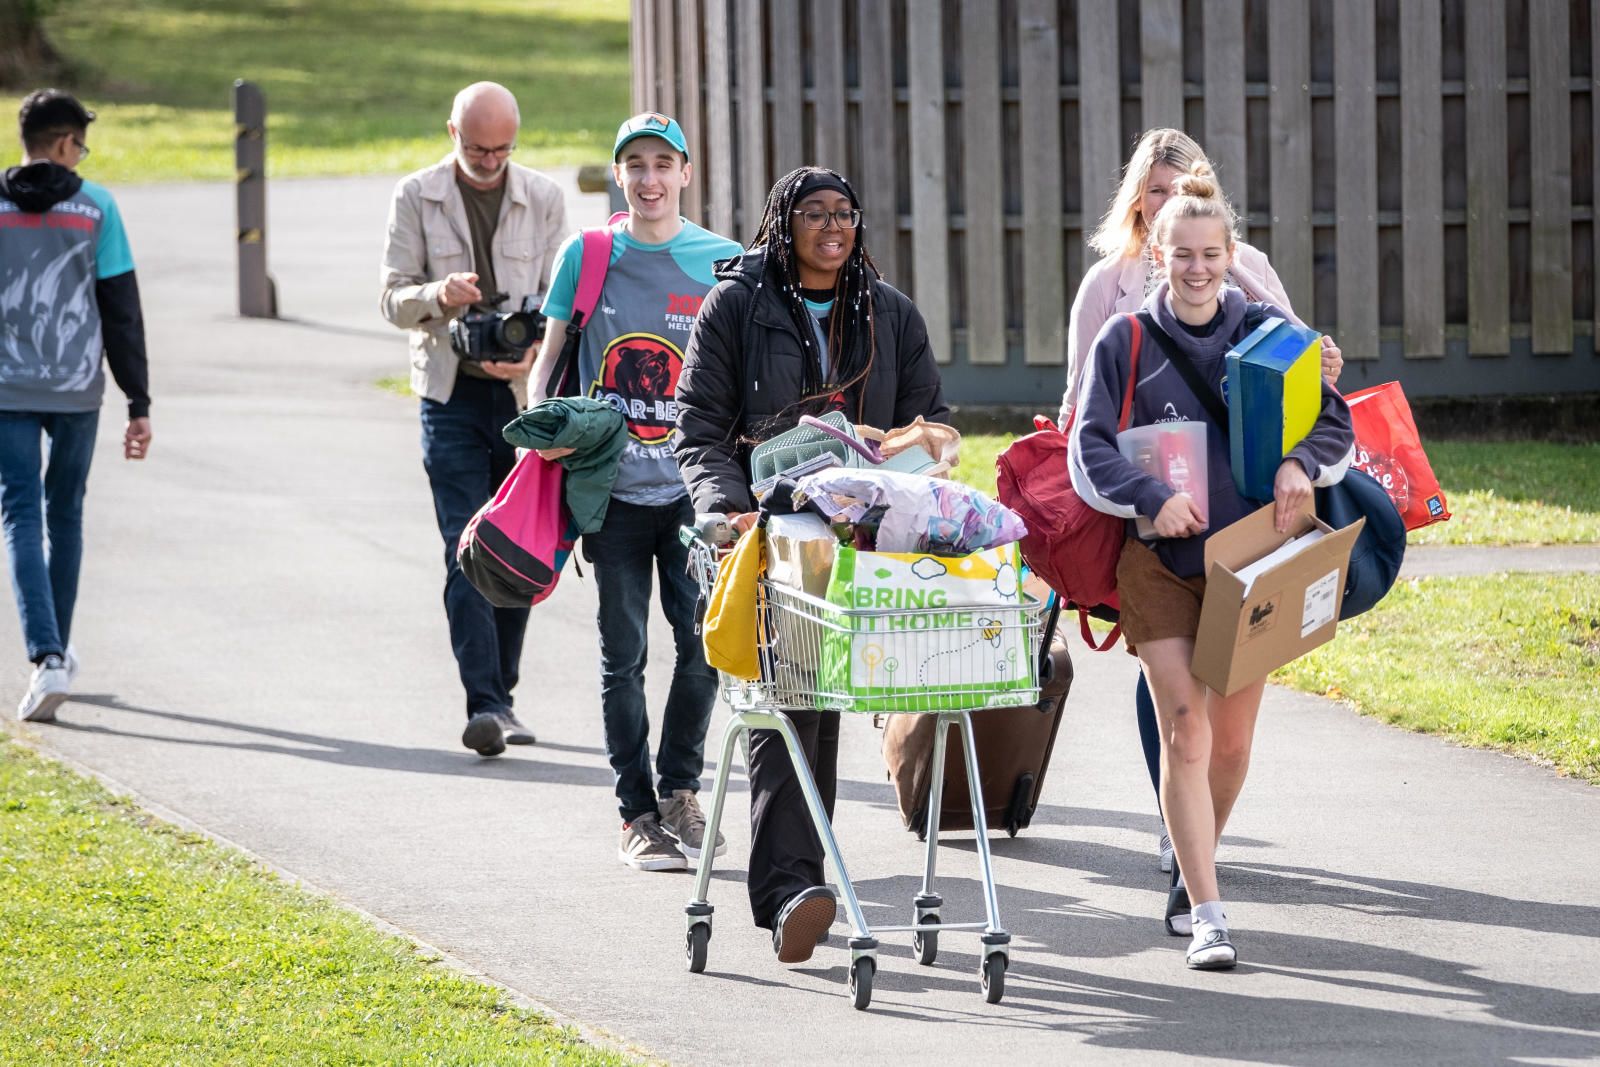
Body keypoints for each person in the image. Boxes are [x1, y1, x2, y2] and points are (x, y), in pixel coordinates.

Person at [1069, 171, 1354, 969]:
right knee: (1185, 732)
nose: (1197, 268)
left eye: (1211, 254)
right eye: (1181, 254)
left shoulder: (1266, 331)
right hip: (1159, 564)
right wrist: (1151, 496)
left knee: (1229, 743)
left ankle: (1196, 855)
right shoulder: (1122, 341)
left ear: (1232, 256)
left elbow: (1338, 422)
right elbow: (1087, 446)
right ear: (1157, 255)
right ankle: (1208, 912)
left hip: (1251, 562)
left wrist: (1301, 463)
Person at [675, 165, 948, 963]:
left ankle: (803, 881)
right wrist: (726, 508)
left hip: (864, 547)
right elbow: (697, 424)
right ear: (781, 223)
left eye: (845, 213)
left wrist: (909, 455)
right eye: (814, 213)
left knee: (833, 698)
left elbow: (924, 424)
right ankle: (793, 889)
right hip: (767, 539)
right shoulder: (737, 305)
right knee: (792, 702)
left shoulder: (889, 314)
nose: (832, 226)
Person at [528, 113, 741, 873]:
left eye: (663, 164)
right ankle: (637, 814)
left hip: (691, 496)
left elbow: (738, 379)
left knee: (702, 648)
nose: (649, 179)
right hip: (610, 494)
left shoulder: (723, 262)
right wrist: (542, 429)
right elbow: (548, 361)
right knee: (624, 655)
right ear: (618, 176)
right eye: (634, 165)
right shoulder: (587, 256)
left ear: (686, 172)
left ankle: (680, 786)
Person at [380, 82, 568, 758]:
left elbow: (562, 299)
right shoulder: (416, 194)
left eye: (502, 148)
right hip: (450, 394)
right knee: (466, 545)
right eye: (476, 147)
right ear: (451, 131)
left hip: (521, 400)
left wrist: (529, 356)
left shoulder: (543, 197)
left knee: (516, 546)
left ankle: (502, 695)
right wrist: (440, 294)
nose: (489, 159)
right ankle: (485, 702)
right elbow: (391, 298)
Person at [2, 89, 151, 723]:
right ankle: (53, 655)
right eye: (81, 144)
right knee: (64, 515)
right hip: (76, 390)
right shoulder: (97, 208)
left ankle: (48, 656)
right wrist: (137, 399)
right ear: (64, 144)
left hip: (7, 389)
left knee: (19, 514)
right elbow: (120, 309)